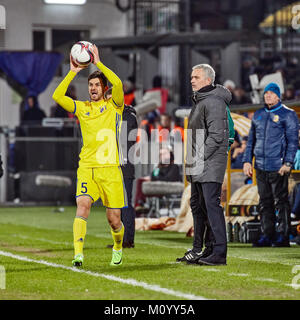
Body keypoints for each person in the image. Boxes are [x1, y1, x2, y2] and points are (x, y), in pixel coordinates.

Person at [52, 45, 126, 267]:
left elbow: (119, 84)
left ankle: (118, 246)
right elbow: (57, 95)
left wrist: (98, 63)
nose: (93, 88)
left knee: (114, 221)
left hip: (111, 169)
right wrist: (73, 71)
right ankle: (78, 254)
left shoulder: (115, 106)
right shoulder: (82, 108)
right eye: (90, 85)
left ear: (104, 89)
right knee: (82, 206)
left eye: (97, 85)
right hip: (87, 168)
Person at [178, 64, 232, 266]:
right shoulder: (202, 100)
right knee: (200, 207)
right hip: (200, 164)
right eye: (191, 76)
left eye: (196, 77)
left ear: (208, 80)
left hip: (209, 164)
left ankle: (219, 253)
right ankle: (208, 250)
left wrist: (198, 159)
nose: (192, 80)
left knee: (211, 206)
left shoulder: (214, 102)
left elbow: (217, 136)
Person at [243, 82, 299, 247]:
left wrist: (288, 162)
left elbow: (293, 141)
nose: (267, 95)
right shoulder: (258, 115)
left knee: (281, 201)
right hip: (260, 165)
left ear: (278, 96)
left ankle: (283, 235)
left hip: (279, 166)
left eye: (271, 93)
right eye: (266, 93)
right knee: (264, 201)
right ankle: (267, 234)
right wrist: (247, 161)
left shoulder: (288, 115)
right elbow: (251, 140)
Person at [105, 87, 138, 248]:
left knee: (125, 203)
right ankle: (119, 238)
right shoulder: (112, 115)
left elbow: (124, 140)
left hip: (124, 166)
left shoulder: (128, 116)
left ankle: (128, 240)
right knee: (115, 204)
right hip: (112, 165)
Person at [134, 147, 181, 212]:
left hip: (167, 188)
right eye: (161, 154)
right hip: (157, 188)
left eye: (164, 153)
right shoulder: (159, 167)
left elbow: (168, 179)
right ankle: (139, 205)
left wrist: (152, 179)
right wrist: (150, 178)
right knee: (141, 180)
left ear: (170, 155)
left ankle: (140, 203)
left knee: (143, 181)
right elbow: (153, 175)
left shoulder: (174, 167)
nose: (162, 156)